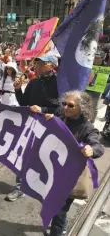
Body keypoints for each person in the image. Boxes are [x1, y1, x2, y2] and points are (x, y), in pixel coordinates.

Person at [45, 91, 104, 236]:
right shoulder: (61, 119)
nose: (65, 107)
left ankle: (57, 232)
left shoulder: (87, 128)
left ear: (82, 108)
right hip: (54, 172)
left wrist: (92, 149)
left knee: (59, 210)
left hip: (69, 178)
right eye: (64, 104)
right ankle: (61, 226)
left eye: (70, 105)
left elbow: (98, 146)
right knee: (53, 206)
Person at [5, 53, 59, 202]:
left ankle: (46, 189)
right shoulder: (34, 82)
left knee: (45, 161)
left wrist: (43, 109)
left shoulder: (60, 83)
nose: (38, 66)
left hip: (49, 129)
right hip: (31, 127)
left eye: (43, 64)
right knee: (23, 156)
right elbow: (24, 102)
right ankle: (20, 187)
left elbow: (62, 109)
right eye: (38, 63)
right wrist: (17, 90)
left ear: (52, 66)